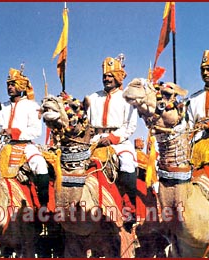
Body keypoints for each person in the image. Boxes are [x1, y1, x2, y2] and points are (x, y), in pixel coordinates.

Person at [84, 54, 138, 231]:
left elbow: (130, 126)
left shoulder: (127, 98)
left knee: (127, 163)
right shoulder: (92, 97)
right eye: (105, 76)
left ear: (118, 78)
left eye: (110, 76)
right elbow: (85, 122)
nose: (106, 79)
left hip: (119, 142)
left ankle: (129, 207)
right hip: (94, 140)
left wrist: (113, 138)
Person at [0, 67, 49, 207]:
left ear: (21, 86)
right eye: (8, 84)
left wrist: (14, 132)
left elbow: (36, 131)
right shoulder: (2, 106)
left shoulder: (32, 106)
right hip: (5, 146)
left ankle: (43, 206)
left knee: (40, 164)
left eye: (13, 84)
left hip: (26, 146)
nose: (10, 87)